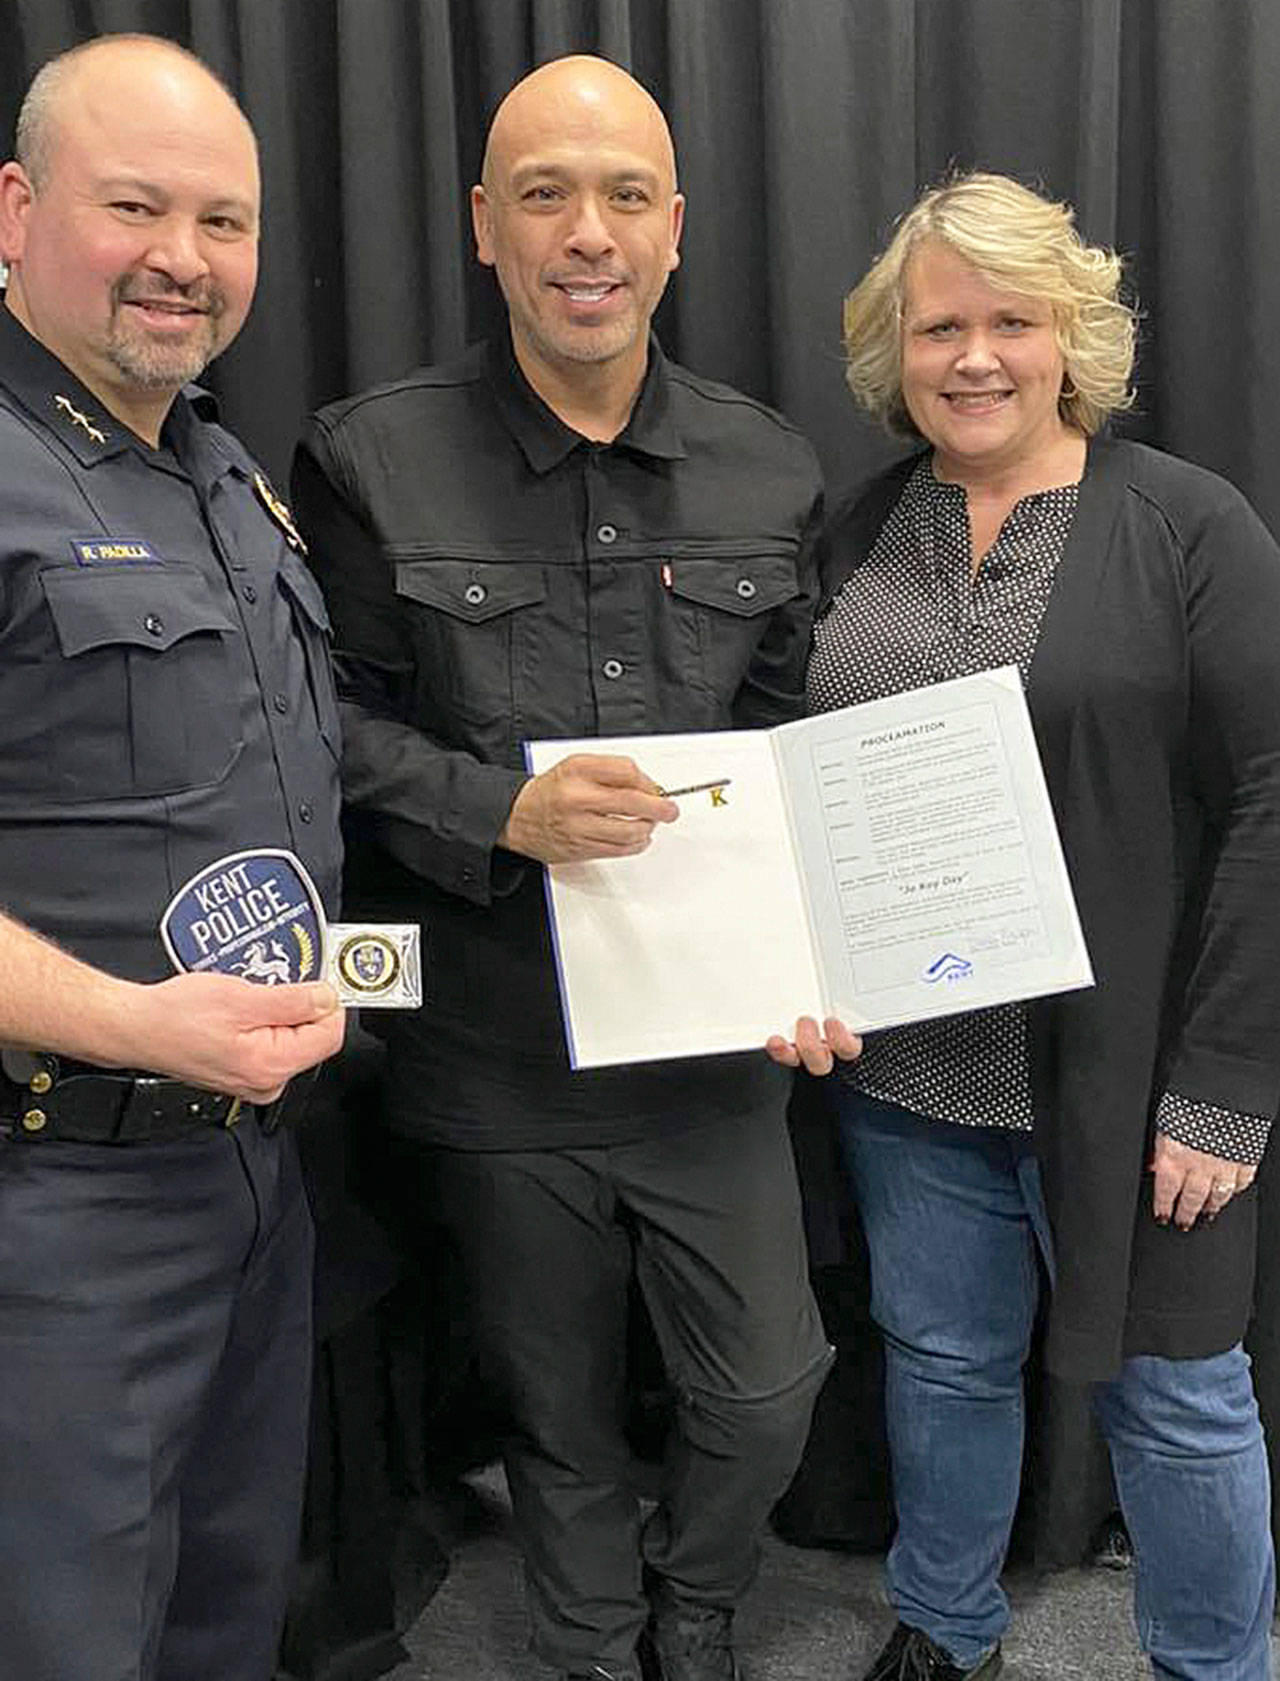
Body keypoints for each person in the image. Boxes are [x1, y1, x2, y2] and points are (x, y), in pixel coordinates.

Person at [292, 53, 831, 1681]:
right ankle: (599, 1647)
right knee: (555, 1404)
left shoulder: (771, 467)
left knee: (766, 1387)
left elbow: (800, 764)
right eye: (542, 194)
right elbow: (319, 729)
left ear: (676, 228)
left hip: (713, 1060)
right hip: (494, 1049)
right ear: (482, 225)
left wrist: (825, 967)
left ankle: (702, 1604)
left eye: (620, 197)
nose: (584, 233)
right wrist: (494, 811)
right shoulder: (368, 459)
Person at [768, 171, 1280, 1681]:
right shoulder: (858, 528)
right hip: (909, 1074)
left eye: (1012, 320)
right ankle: (947, 1624)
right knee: (938, 1360)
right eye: (940, 326)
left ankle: (1215, 1664)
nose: (974, 356)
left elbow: (1271, 798)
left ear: (1074, 340)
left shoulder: (1190, 526)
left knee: (1179, 1396)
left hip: (1134, 1084)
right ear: (895, 350)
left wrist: (1227, 1090)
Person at [0, 35, 345, 1681]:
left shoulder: (224, 475)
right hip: (54, 1197)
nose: (183, 260)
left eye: (225, 222)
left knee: (222, 1615)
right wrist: (136, 1025)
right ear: (16, 208)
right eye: (134, 206)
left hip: (250, 1180)